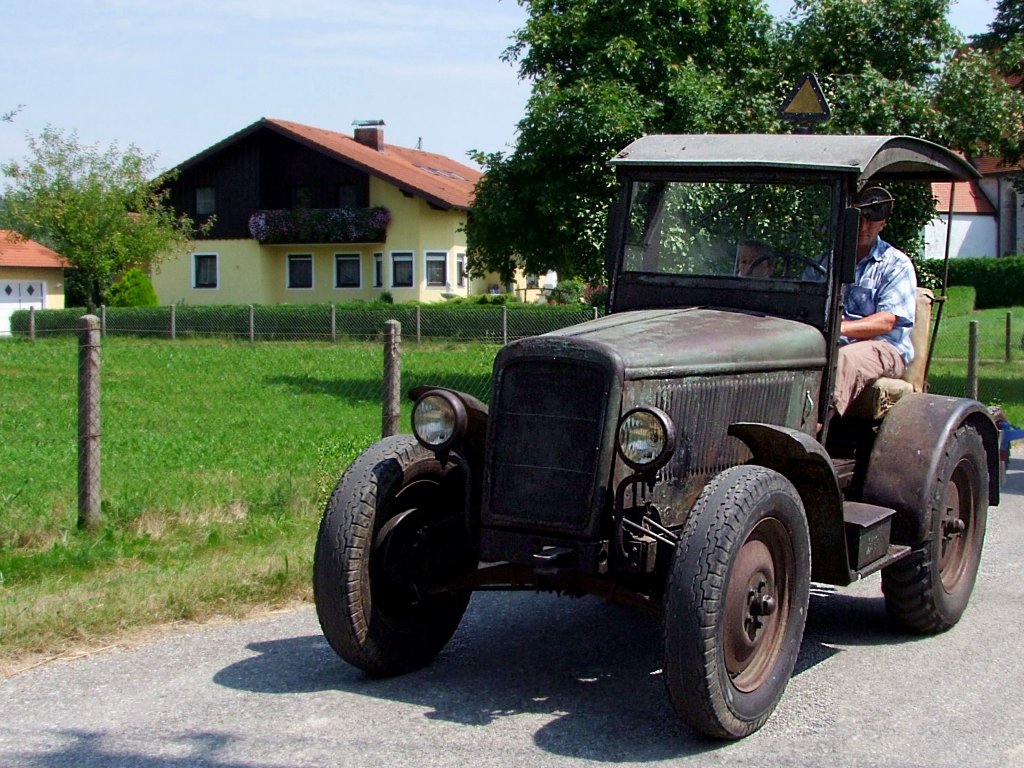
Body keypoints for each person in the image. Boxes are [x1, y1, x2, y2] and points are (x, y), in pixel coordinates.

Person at [832, 186, 917, 416]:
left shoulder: (896, 264)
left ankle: (813, 431)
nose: (864, 226)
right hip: (833, 340)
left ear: (883, 223)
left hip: (886, 347)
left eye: (872, 220)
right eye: (858, 219)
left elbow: (887, 321)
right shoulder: (829, 259)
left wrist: (840, 327)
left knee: (844, 359)